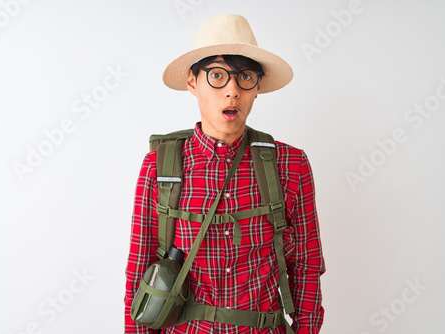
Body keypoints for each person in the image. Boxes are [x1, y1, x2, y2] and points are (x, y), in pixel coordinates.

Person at [124, 14, 325, 333]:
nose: (232, 91)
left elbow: (306, 268)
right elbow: (139, 274)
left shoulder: (290, 164)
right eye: (217, 75)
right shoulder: (161, 165)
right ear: (193, 81)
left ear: (257, 86)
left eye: (245, 77)